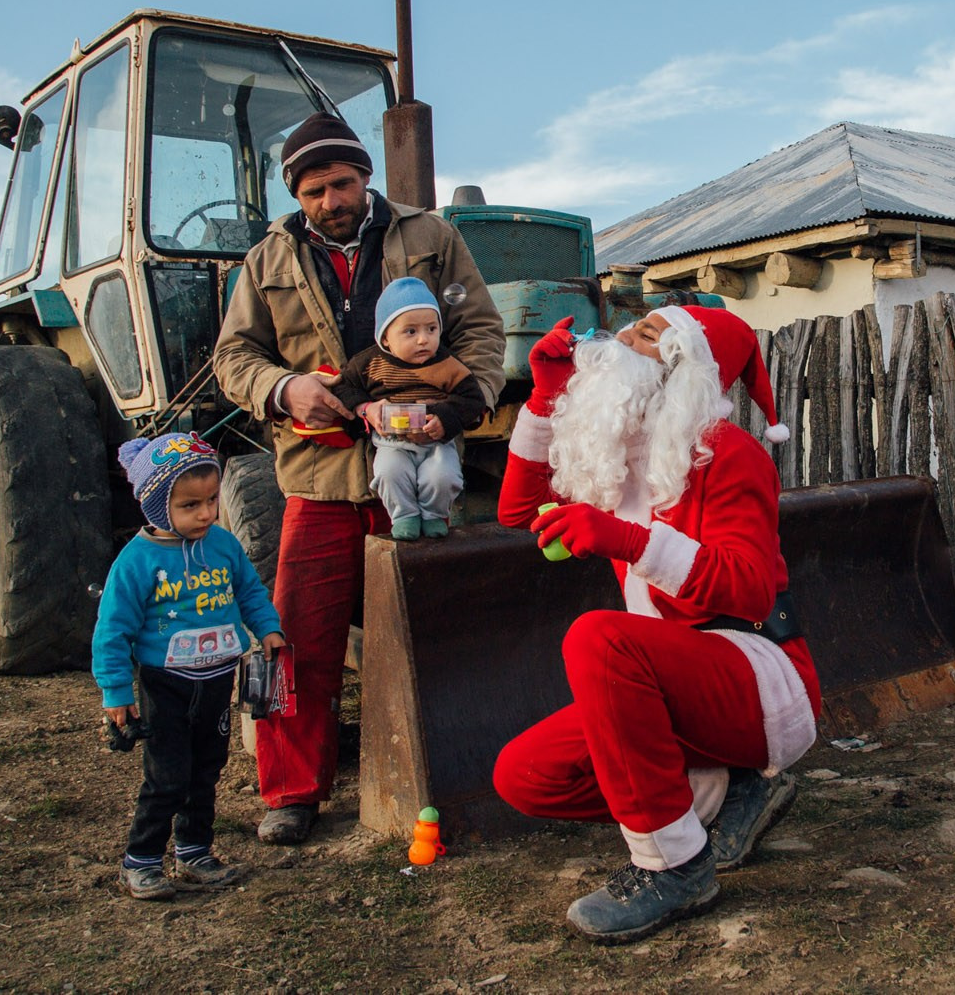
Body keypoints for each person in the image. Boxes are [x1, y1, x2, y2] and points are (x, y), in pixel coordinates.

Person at [213, 113, 505, 845]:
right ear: (295, 194)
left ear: (366, 176)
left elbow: (480, 330)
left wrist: (460, 409)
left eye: (341, 184)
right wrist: (284, 389)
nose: (330, 201)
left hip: (419, 465)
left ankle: (453, 776)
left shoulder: (431, 236)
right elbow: (234, 357)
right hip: (320, 478)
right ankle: (292, 792)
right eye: (313, 191)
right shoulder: (265, 259)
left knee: (436, 631)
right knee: (297, 639)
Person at [490, 306, 820, 945]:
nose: (619, 339)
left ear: (685, 370)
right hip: (665, 682)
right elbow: (518, 511)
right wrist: (546, 395)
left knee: (598, 637)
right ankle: (728, 792)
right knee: (525, 775)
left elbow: (750, 587)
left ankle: (675, 867)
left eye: (646, 335)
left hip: (758, 672)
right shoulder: (616, 453)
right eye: (629, 327)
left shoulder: (731, 452)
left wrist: (623, 539)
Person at [92, 432, 285, 901]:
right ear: (157, 507)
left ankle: (194, 851)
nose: (206, 514)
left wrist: (268, 628)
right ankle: (141, 860)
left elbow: (249, 591)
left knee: (207, 769)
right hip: (165, 684)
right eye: (190, 505)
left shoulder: (223, 545)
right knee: (167, 776)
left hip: (217, 680)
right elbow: (112, 631)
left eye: (212, 500)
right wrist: (116, 692)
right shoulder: (136, 562)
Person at [326, 276, 489, 540]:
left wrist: (445, 419)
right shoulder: (369, 363)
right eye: (411, 332)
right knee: (389, 473)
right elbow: (343, 387)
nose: (423, 340)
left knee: (443, 477)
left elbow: (473, 399)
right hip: (391, 441)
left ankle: (434, 515)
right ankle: (404, 516)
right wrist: (366, 408)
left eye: (431, 329)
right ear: (385, 337)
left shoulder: (447, 364)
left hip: (436, 442)